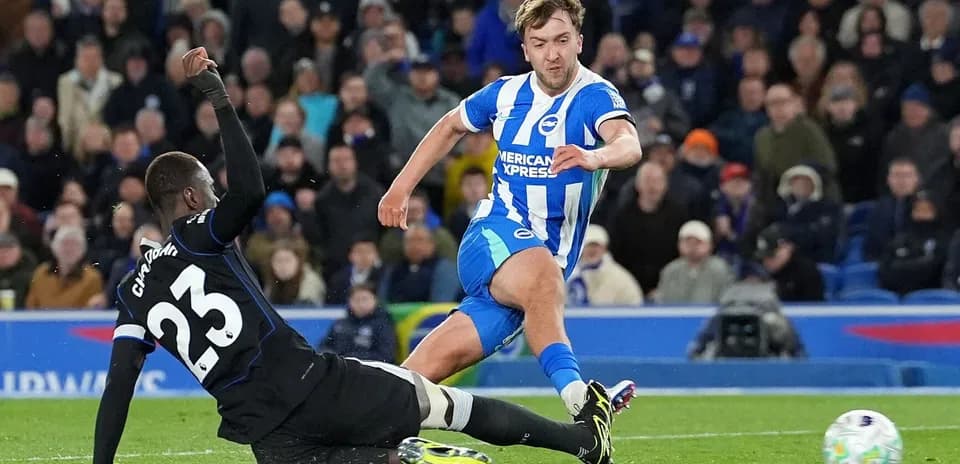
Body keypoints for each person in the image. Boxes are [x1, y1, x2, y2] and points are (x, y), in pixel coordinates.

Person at [93, 47, 616, 464]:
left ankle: (400, 458)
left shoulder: (131, 294)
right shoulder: (200, 233)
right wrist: (220, 99)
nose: (211, 195)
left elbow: (118, 388)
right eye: (207, 187)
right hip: (313, 383)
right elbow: (248, 191)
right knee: (442, 405)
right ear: (190, 199)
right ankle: (580, 443)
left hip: (264, 437)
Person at [378, 0, 641, 417]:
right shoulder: (505, 93)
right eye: (539, 43)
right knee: (544, 281)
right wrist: (400, 187)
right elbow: (450, 125)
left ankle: (357, 429)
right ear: (525, 50)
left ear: (579, 42)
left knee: (409, 385)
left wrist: (596, 157)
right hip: (494, 235)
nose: (551, 53)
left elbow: (629, 143)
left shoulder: (594, 96)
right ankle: (582, 400)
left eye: (561, 40)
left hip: (537, 270)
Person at [318, 283, 397, 363]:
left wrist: (350, 358)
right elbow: (324, 346)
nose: (360, 304)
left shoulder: (383, 323)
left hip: (368, 370)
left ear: (375, 300)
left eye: (364, 299)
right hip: (340, 368)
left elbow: (386, 355)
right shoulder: (341, 323)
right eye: (356, 300)